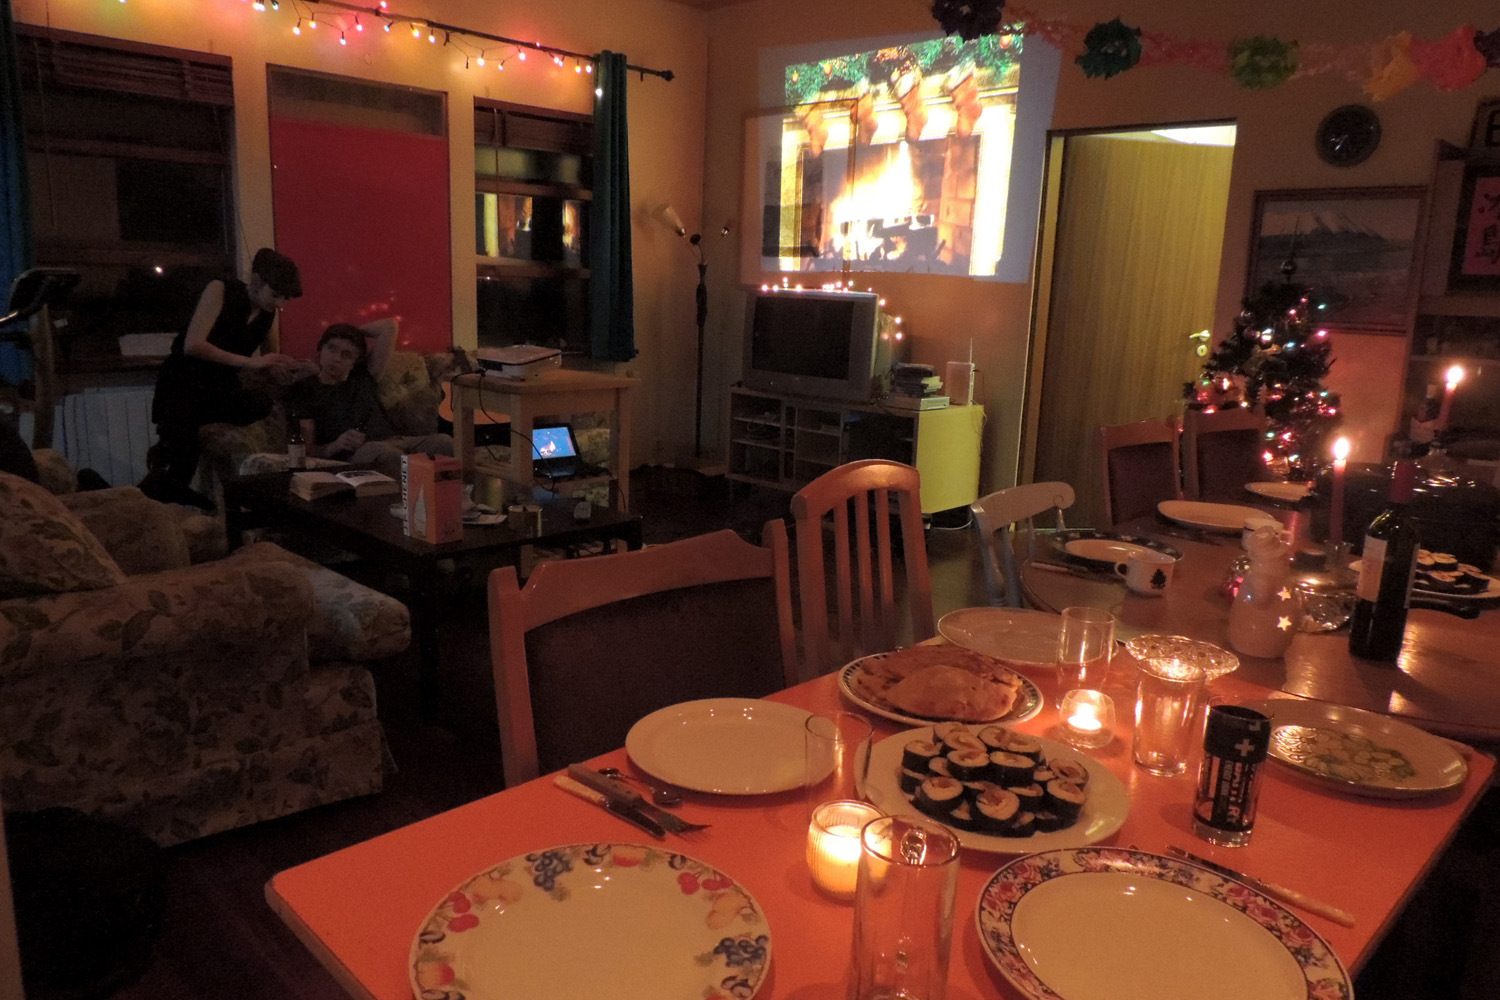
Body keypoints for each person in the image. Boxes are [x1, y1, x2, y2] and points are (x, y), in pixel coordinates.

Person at [142, 247, 309, 507]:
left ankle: (164, 460)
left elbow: (268, 359)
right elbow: (193, 345)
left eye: (285, 299)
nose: (280, 304)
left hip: (221, 387)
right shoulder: (221, 289)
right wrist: (251, 362)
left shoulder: (267, 314)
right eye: (276, 295)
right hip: (185, 381)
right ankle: (163, 481)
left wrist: (283, 368)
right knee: (183, 460)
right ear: (256, 280)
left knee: (260, 403)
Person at [285, 318, 453, 479]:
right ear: (320, 349)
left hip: (396, 441)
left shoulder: (364, 376)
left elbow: (390, 326)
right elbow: (307, 451)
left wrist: (354, 333)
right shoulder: (305, 389)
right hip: (358, 453)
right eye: (331, 348)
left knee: (444, 442)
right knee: (387, 453)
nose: (336, 358)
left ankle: (450, 496)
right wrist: (335, 445)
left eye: (346, 355)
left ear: (355, 361)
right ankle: (411, 497)